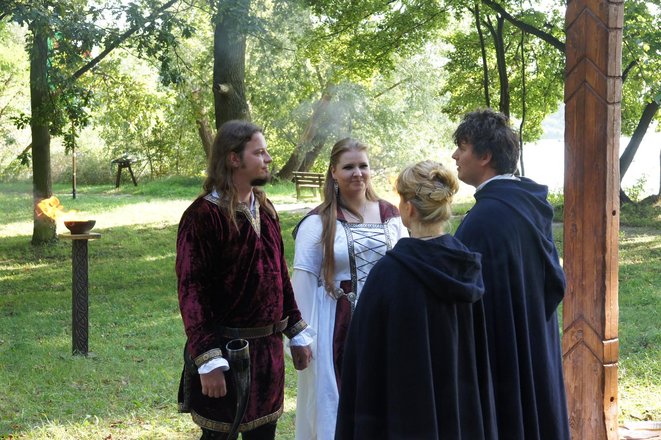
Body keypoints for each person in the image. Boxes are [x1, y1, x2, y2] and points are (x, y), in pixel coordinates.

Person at [335, 160, 498, 439]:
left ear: (408, 208)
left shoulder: (388, 274)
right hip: (459, 415)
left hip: (404, 417)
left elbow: (365, 363)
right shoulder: (466, 268)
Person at [176, 120, 313, 440]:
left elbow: (279, 275)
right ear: (234, 158)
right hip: (226, 353)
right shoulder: (203, 216)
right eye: (259, 152)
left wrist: (296, 330)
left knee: (264, 435)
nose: (268, 159)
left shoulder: (265, 209)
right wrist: (208, 357)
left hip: (268, 355)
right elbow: (192, 291)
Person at [452, 108, 570, 439]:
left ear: (485, 156)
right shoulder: (526, 203)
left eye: (462, 147)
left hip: (504, 353)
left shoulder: (485, 218)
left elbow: (464, 300)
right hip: (534, 339)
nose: (455, 156)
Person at [291, 138, 408, 440]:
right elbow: (303, 283)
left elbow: (406, 269)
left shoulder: (391, 215)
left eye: (363, 166)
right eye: (348, 167)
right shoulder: (318, 222)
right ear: (333, 172)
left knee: (385, 396)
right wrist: (300, 337)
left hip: (386, 322)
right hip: (336, 325)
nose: (357, 173)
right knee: (338, 401)